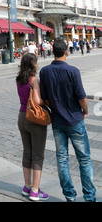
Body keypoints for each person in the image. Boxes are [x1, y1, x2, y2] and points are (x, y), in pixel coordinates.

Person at [40, 38, 96, 202]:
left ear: (52, 51)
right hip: (75, 120)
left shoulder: (45, 72)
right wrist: (84, 112)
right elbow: (82, 97)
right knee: (84, 159)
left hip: (58, 121)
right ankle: (89, 196)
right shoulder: (73, 71)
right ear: (66, 52)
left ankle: (69, 196)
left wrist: (55, 108)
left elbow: (45, 99)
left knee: (62, 159)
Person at [16, 53, 49, 201]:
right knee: (38, 155)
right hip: (34, 119)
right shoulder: (34, 80)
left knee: (27, 152)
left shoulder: (18, 79)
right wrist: (45, 101)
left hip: (22, 116)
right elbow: (37, 100)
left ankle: (27, 186)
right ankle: (35, 191)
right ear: (33, 64)